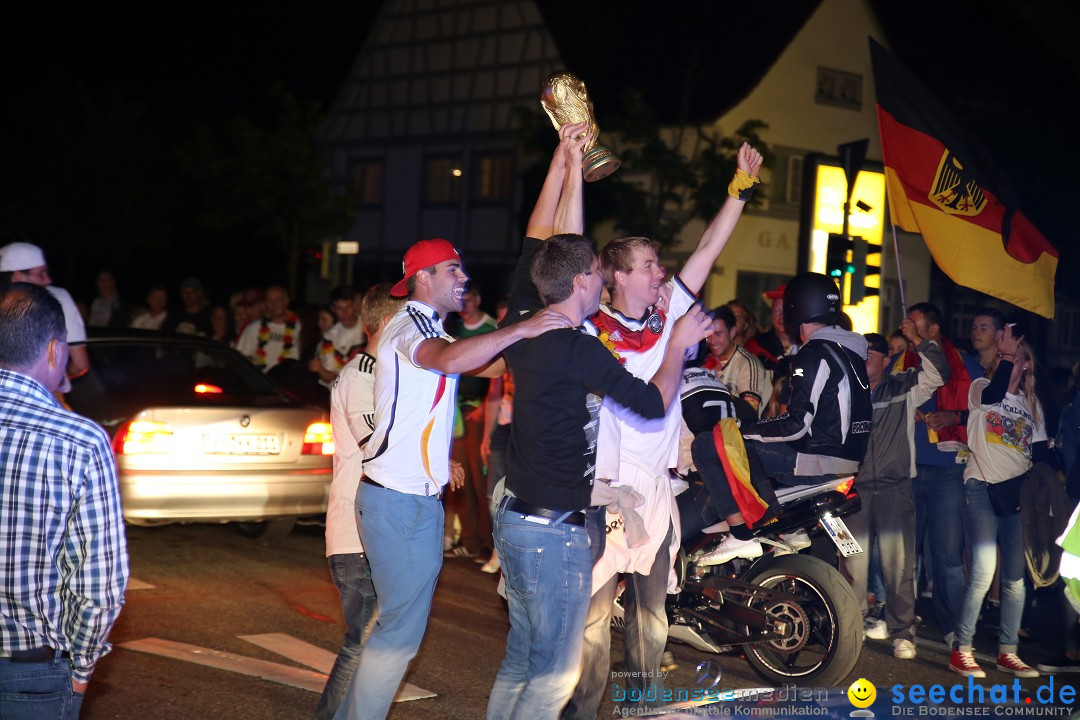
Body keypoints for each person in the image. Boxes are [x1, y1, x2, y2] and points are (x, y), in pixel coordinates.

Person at [487, 123, 713, 720]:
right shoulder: (583, 347)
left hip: (516, 511)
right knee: (557, 670)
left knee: (522, 660)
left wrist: (565, 157)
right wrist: (678, 346)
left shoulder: (527, 317)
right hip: (560, 524)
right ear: (589, 282)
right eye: (593, 270)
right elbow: (651, 402)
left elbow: (551, 238)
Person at [333, 240, 573, 720]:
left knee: (397, 631)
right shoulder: (410, 324)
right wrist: (525, 325)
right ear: (423, 277)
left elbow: (490, 362)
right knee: (398, 634)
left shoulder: (432, 329)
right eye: (452, 270)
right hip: (397, 502)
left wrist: (541, 322)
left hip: (409, 501)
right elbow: (447, 360)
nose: (463, 278)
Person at [566, 141, 763, 719]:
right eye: (650, 266)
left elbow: (708, 246)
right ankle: (581, 712)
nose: (662, 274)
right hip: (606, 492)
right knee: (595, 624)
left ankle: (640, 712)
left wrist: (739, 188)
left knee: (652, 621)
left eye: (659, 265)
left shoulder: (669, 313)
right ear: (616, 276)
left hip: (655, 490)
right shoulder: (587, 334)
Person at [0, 283, 129, 719]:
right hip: (26, 668)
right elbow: (99, 585)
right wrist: (82, 666)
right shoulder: (79, 440)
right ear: (56, 350)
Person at [696, 272, 874, 565]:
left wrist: (747, 429)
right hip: (847, 460)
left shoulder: (815, 352)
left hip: (819, 460)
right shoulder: (851, 351)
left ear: (796, 307)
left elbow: (796, 423)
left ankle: (743, 534)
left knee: (707, 444)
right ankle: (789, 529)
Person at [314, 284, 404, 720]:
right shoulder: (360, 377)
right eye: (408, 322)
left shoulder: (382, 373)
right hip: (354, 531)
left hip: (372, 529)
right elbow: (376, 447)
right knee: (364, 639)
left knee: (375, 637)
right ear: (388, 324)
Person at [838, 326, 948, 660]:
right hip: (851, 492)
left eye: (872, 350)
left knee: (898, 566)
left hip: (894, 488)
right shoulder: (845, 390)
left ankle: (902, 632)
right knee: (851, 564)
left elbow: (940, 372)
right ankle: (852, 629)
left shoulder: (904, 386)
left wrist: (917, 338)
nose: (865, 355)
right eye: (861, 350)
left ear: (887, 359)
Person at [950, 327, 1043, 678]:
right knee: (982, 572)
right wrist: (1003, 357)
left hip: (1016, 496)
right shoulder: (981, 388)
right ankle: (963, 649)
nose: (1010, 358)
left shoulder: (1031, 404)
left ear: (1027, 364)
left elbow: (1038, 452)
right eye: (1007, 356)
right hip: (982, 487)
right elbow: (990, 398)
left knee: (1015, 579)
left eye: (1016, 355)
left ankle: (1008, 651)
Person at [906, 301, 983, 645]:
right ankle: (902, 623)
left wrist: (954, 417)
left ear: (933, 330)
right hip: (908, 466)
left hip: (948, 471)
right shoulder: (904, 362)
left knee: (948, 555)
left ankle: (953, 628)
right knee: (905, 553)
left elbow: (982, 415)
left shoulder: (964, 365)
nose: (907, 329)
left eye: (915, 324)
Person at [444, 286, 498, 558]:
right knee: (458, 478)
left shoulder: (491, 327)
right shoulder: (452, 328)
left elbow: (499, 375)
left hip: (477, 413)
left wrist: (485, 409)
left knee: (480, 481)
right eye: (460, 298)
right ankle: (468, 540)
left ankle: (487, 542)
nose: (463, 303)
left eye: (468, 297)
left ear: (477, 298)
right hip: (453, 415)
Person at [0, 241, 90, 384]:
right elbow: (80, 365)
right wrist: (54, 381)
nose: (48, 279)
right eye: (41, 273)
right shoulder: (57, 298)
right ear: (18, 276)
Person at [703, 304, 773, 417]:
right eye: (709, 334)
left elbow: (750, 410)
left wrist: (716, 393)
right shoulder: (704, 360)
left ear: (732, 332)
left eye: (718, 334)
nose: (712, 341)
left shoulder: (747, 363)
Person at [235, 285, 302, 372]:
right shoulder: (254, 328)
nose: (273, 304)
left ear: (286, 301)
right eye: (269, 301)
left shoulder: (299, 327)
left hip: (290, 381)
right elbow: (241, 358)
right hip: (263, 382)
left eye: (278, 300)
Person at [310, 286, 365, 389]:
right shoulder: (329, 337)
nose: (345, 313)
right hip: (338, 393)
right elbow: (328, 376)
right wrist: (319, 369)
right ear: (333, 309)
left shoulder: (368, 327)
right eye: (340, 308)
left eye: (348, 307)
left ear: (355, 305)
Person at [745, 282, 795, 382]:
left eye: (786, 310)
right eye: (777, 310)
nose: (781, 316)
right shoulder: (756, 346)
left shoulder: (807, 345)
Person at [971, 307, 1005, 373]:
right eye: (974, 328)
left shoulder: (1003, 366)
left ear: (999, 334)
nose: (975, 332)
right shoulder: (967, 363)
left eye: (983, 328)